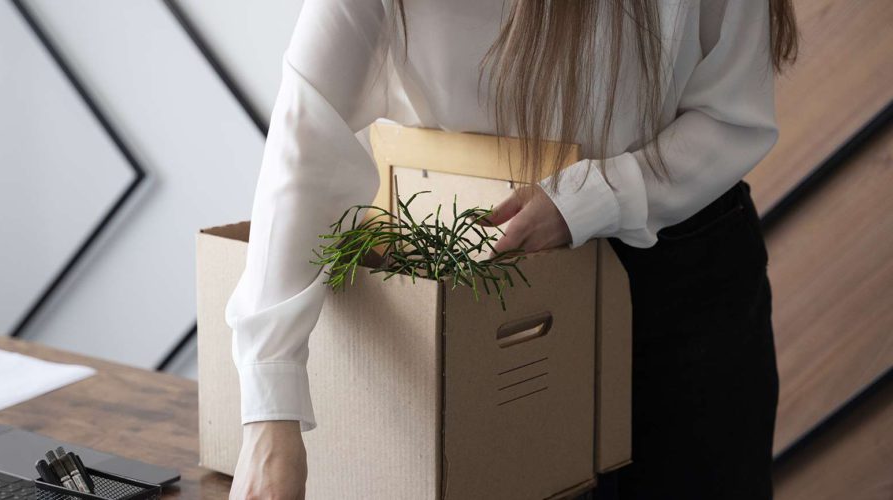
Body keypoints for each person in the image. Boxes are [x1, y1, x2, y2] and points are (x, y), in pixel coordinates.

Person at [223, 0, 799, 498]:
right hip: (473, 270)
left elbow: (733, 116)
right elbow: (308, 136)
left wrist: (593, 197)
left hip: (677, 271)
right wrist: (270, 410)